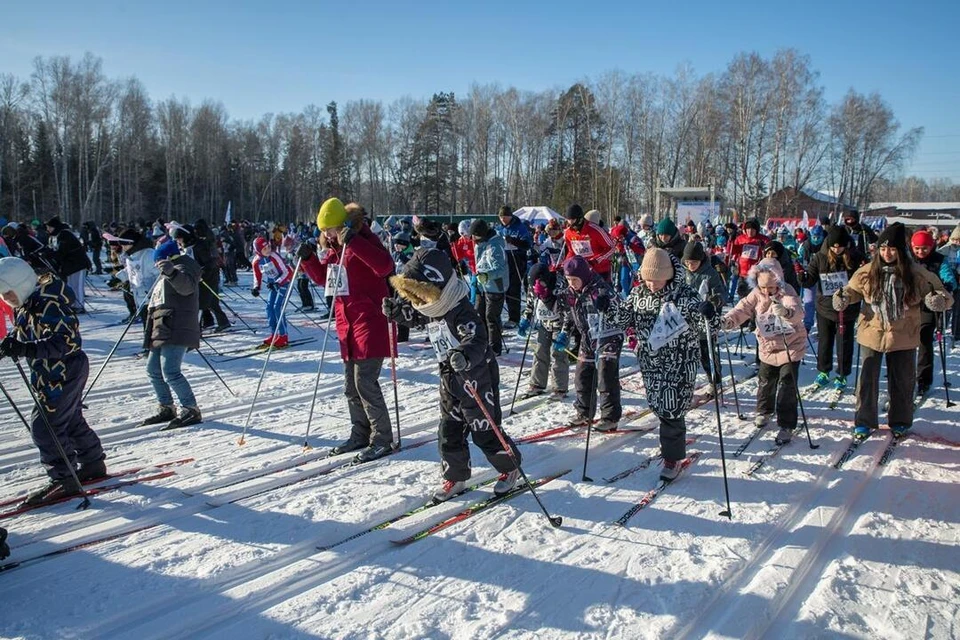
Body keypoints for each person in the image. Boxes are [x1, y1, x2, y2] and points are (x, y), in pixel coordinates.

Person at [382, 249, 522, 501]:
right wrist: (397, 313)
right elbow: (416, 317)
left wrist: (465, 353)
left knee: (484, 428)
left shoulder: (460, 308)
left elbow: (477, 338)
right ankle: (455, 475)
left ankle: (509, 467)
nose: (418, 301)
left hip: (477, 376)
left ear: (435, 286)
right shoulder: (432, 307)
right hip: (449, 374)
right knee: (449, 429)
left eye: (419, 293)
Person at [0, 256, 106, 505]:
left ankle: (64, 478)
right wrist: (11, 346)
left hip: (64, 370)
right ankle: (92, 462)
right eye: (4, 296)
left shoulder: (49, 304)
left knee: (45, 426)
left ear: (23, 283)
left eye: (10, 293)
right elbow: (26, 335)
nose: (8, 300)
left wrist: (27, 349)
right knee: (69, 419)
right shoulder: (28, 305)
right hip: (51, 372)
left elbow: (67, 341)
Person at [833, 223, 953, 438]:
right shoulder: (868, 271)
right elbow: (852, 290)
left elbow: (943, 294)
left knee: (902, 380)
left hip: (904, 332)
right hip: (872, 330)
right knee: (867, 380)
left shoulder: (917, 274)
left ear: (900, 250)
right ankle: (863, 421)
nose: (887, 253)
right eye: (883, 249)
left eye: (892, 249)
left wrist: (937, 300)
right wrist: (843, 298)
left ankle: (900, 420)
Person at [606, 248, 715, 480]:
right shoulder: (638, 294)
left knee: (673, 407)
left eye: (656, 280)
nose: (652, 284)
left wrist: (708, 312)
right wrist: (608, 308)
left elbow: (708, 324)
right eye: (648, 279)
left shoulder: (685, 295)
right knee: (659, 405)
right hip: (650, 362)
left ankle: (672, 458)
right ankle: (670, 450)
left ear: (668, 274)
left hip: (679, 362)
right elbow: (624, 318)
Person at [305, 198, 395, 463]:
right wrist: (309, 259)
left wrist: (353, 241)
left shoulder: (362, 240)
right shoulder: (335, 248)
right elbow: (325, 279)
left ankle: (382, 438)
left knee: (365, 382)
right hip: (347, 323)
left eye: (330, 229)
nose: (327, 235)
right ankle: (360, 433)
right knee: (350, 386)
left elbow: (385, 266)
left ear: (343, 224)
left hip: (370, 320)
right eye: (324, 231)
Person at [722, 258, 807, 444]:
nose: (767, 291)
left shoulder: (787, 291)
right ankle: (764, 410)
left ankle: (786, 423)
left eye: (771, 287)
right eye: (763, 287)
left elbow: (798, 310)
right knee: (766, 380)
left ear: (778, 282)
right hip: (768, 346)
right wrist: (729, 320)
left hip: (790, 345)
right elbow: (743, 308)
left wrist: (786, 313)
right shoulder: (756, 294)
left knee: (787, 383)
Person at [140, 240, 203, 430]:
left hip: (178, 325)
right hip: (163, 325)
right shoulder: (169, 271)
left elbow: (186, 287)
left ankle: (190, 408)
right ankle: (166, 406)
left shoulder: (184, 266)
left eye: (158, 261)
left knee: (170, 371)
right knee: (153, 369)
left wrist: (172, 272)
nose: (157, 265)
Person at [559, 256, 623, 431]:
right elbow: (569, 315)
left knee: (605, 375)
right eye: (569, 280)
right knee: (582, 375)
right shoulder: (571, 293)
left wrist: (607, 307)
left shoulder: (600, 289)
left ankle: (610, 417)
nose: (572, 283)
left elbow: (621, 311)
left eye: (575, 279)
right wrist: (564, 333)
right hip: (588, 338)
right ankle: (584, 412)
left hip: (608, 336)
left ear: (583, 276)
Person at [799, 226, 865, 391]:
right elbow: (811, 279)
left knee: (844, 343)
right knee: (825, 341)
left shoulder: (855, 257)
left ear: (846, 245)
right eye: (834, 246)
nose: (837, 249)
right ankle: (823, 371)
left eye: (840, 246)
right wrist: (803, 278)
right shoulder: (820, 258)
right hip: (825, 307)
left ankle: (842, 374)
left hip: (847, 308)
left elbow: (864, 278)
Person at [910, 229, 957, 396]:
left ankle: (923, 379)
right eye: (917, 249)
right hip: (909, 304)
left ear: (931, 247)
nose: (920, 252)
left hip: (929, 305)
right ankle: (903, 374)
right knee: (905, 340)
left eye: (924, 248)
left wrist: (947, 289)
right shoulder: (908, 260)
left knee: (924, 340)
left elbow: (948, 278)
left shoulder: (939, 260)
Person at [518, 263, 570, 399]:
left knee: (558, 355)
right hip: (543, 323)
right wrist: (525, 320)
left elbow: (568, 314)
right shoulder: (533, 287)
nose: (537, 290)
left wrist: (564, 333)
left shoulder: (559, 287)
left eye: (541, 285)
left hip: (559, 324)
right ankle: (537, 384)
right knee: (540, 351)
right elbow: (530, 304)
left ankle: (560, 387)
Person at [682, 241, 727, 394]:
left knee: (706, 353)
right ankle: (685, 382)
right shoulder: (681, 272)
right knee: (685, 354)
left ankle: (715, 380)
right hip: (686, 319)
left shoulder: (710, 274)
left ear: (700, 260)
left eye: (693, 262)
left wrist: (716, 300)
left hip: (705, 318)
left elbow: (720, 292)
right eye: (687, 262)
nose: (690, 265)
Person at [171, 222, 231, 333]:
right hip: (199, 277)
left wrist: (201, 273)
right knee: (211, 301)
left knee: (200, 303)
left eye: (179, 239)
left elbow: (210, 263)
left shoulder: (199, 246)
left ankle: (195, 329)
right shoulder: (188, 247)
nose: (178, 242)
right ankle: (222, 322)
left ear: (185, 237)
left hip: (208, 277)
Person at [470, 218, 508, 356]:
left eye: (475, 235)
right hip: (482, 286)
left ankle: (495, 347)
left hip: (495, 286)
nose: (472, 238)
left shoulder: (495, 245)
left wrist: (487, 276)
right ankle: (482, 342)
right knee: (478, 314)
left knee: (491, 317)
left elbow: (501, 269)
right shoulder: (479, 244)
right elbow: (479, 263)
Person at [251, 236, 293, 348]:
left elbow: (286, 272)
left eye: (269, 247)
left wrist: (277, 282)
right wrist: (256, 287)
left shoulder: (274, 256)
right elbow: (257, 275)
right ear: (258, 251)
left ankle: (283, 336)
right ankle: (274, 334)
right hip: (273, 285)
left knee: (277, 308)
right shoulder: (256, 261)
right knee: (269, 308)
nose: (268, 250)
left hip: (284, 282)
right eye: (265, 249)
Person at [496, 206, 533, 328]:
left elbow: (527, 244)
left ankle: (514, 317)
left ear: (510, 216)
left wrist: (513, 241)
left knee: (514, 288)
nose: (503, 219)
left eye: (505, 217)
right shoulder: (500, 228)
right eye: (501, 217)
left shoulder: (519, 227)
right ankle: (506, 315)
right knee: (504, 288)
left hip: (517, 260)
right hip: (503, 260)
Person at [44, 217, 90, 313]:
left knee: (78, 286)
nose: (48, 230)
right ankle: (73, 304)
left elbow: (62, 251)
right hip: (70, 265)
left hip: (79, 264)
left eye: (49, 227)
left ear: (55, 227)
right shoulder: (58, 235)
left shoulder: (65, 235)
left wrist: (50, 253)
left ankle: (80, 306)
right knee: (71, 286)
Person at [562, 204, 616, 282]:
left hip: (600, 271)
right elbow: (572, 251)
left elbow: (612, 247)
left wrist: (596, 260)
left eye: (573, 220)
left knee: (601, 293)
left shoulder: (595, 230)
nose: (571, 224)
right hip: (581, 272)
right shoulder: (568, 233)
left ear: (579, 219)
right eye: (568, 220)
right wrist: (566, 264)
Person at [729, 219, 769, 302]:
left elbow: (769, 254)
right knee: (742, 296)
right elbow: (731, 251)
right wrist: (731, 241)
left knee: (755, 297)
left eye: (753, 229)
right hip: (742, 273)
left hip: (756, 274)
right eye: (748, 229)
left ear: (756, 230)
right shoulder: (740, 239)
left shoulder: (763, 239)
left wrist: (763, 247)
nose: (750, 231)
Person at [609, 216, 645, 298]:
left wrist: (630, 245)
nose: (619, 240)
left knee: (637, 280)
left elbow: (641, 250)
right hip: (626, 262)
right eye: (617, 239)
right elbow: (617, 249)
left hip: (636, 262)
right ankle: (627, 295)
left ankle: (638, 296)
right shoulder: (618, 240)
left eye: (620, 238)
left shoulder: (633, 238)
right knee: (623, 280)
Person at [939, 224, 960, 346]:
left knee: (957, 310)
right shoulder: (944, 250)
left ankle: (956, 332)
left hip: (958, 283)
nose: (957, 242)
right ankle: (941, 330)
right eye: (955, 239)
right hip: (947, 283)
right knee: (946, 309)